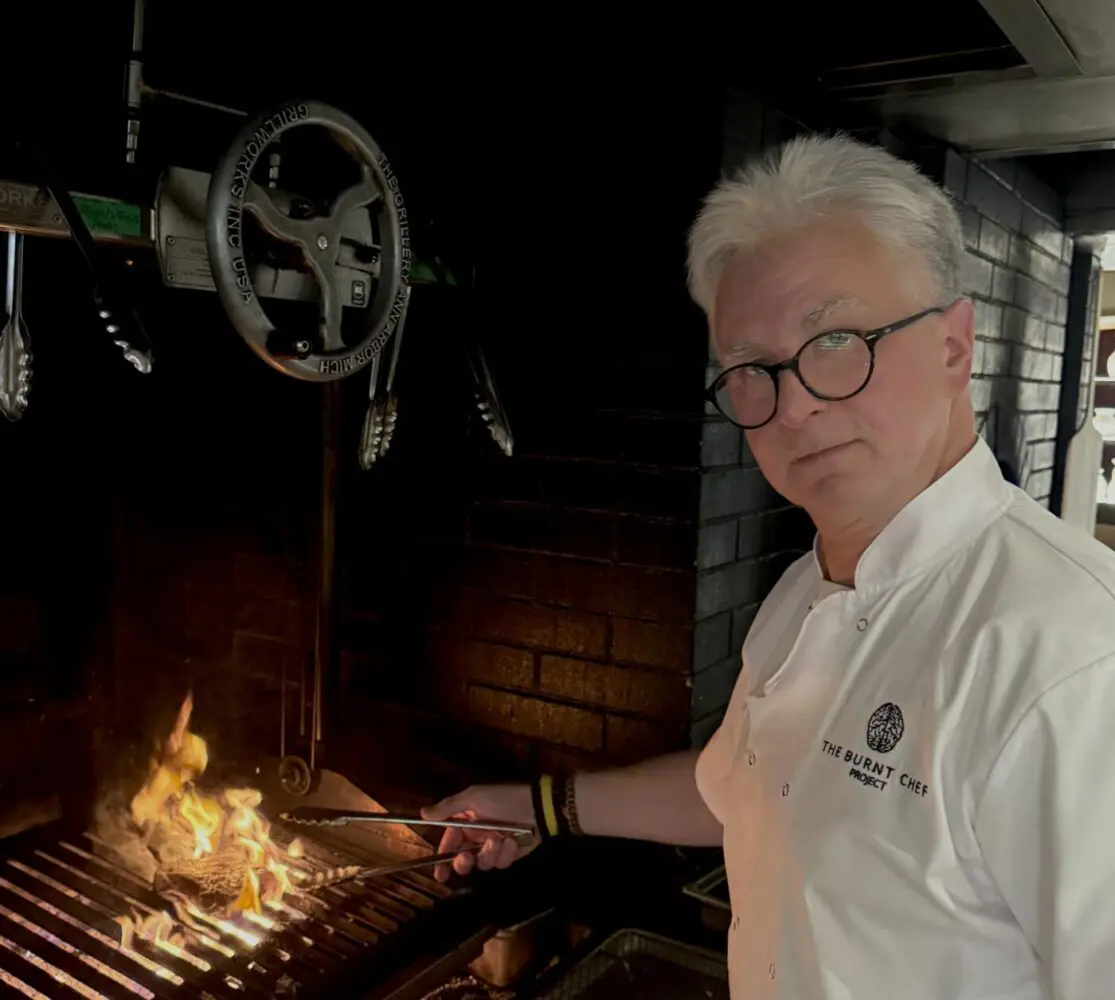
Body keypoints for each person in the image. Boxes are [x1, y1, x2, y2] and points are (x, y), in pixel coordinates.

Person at [422, 134, 1115, 999]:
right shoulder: (804, 591)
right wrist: (539, 809)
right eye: (751, 369)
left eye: (835, 340)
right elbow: (746, 793)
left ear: (952, 347)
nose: (793, 407)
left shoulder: (1074, 656)